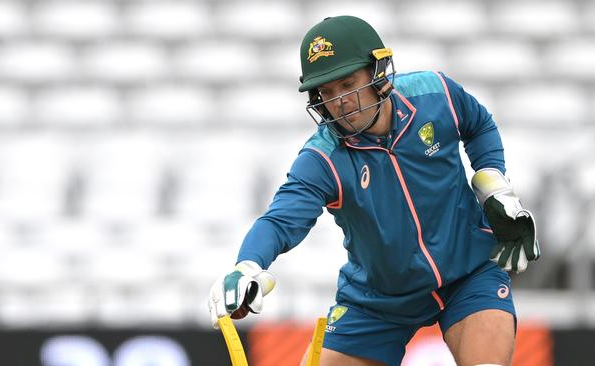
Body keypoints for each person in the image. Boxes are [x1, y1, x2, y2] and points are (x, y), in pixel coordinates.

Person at [207, 15, 540, 366]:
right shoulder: (322, 157)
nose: (339, 101)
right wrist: (247, 264)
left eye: (347, 83)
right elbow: (280, 220)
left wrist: (493, 183)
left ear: (378, 72)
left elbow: (479, 124)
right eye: (327, 92)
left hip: (469, 273)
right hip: (377, 301)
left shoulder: (436, 94)